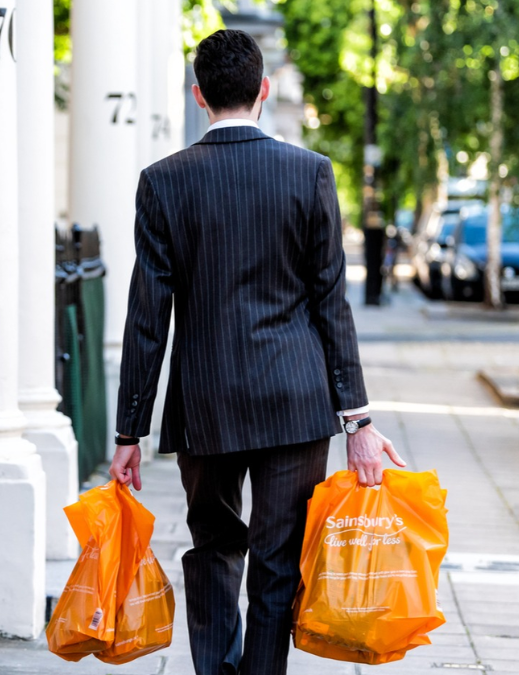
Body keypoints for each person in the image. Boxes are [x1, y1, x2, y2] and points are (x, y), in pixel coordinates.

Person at [108, 29, 404, 675]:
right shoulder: (310, 173)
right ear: (264, 90)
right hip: (294, 403)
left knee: (213, 547)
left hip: (205, 402)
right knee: (277, 560)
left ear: (199, 96)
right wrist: (358, 420)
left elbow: (147, 318)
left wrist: (129, 428)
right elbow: (332, 304)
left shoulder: (164, 182)